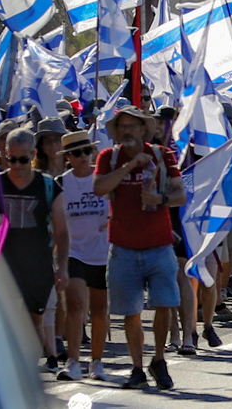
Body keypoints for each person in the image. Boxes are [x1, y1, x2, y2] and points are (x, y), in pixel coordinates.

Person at [93, 106, 185, 391]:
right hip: (123, 247)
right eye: (122, 127)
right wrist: (130, 166)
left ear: (143, 129)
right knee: (130, 312)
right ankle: (136, 367)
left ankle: (158, 359)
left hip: (159, 245)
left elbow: (181, 195)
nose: (127, 131)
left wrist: (159, 199)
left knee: (165, 304)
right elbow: (99, 188)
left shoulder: (162, 155)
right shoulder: (109, 158)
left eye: (133, 126)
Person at [0, 128, 69, 373]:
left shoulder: (48, 186)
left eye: (23, 159)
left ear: (33, 155)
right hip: (3, 264)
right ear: (5, 155)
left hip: (38, 264)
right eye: (12, 159)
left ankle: (28, 370)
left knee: (34, 320)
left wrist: (62, 268)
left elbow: (62, 231)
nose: (17, 165)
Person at [57, 131, 109, 382]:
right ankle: (73, 360)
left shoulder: (102, 180)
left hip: (102, 252)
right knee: (76, 305)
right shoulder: (60, 183)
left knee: (100, 310)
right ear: (68, 157)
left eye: (86, 152)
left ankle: (96, 362)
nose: (83, 157)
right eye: (76, 153)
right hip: (73, 252)